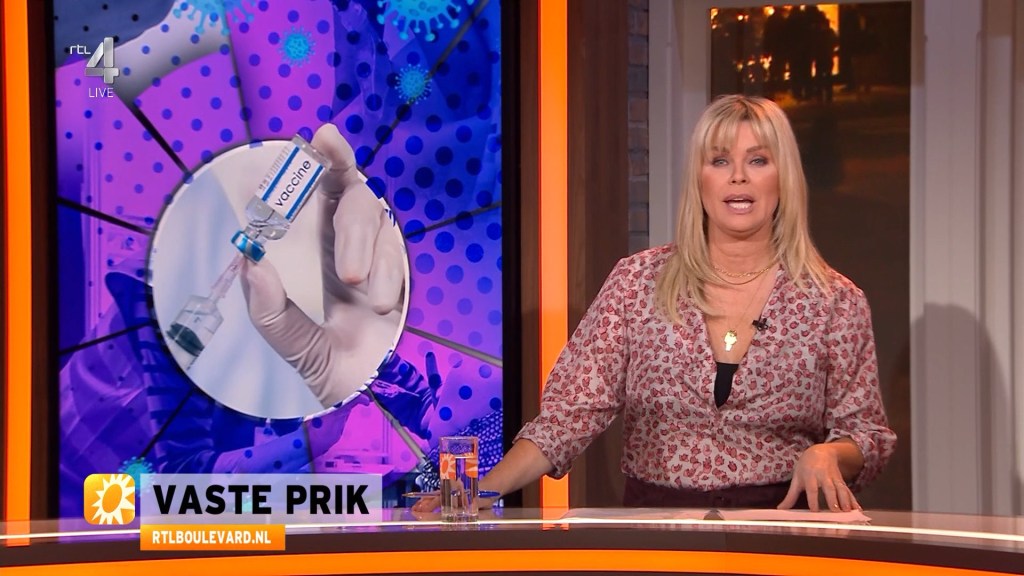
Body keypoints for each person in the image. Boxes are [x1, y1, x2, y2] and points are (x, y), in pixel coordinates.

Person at [414, 94, 896, 513]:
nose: (738, 178)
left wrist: (829, 453)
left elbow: (868, 435)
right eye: (720, 161)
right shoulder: (638, 281)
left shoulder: (834, 301)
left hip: (780, 533)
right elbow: (569, 415)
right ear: (699, 179)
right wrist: (482, 489)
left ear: (783, 177)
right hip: (659, 534)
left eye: (758, 160)